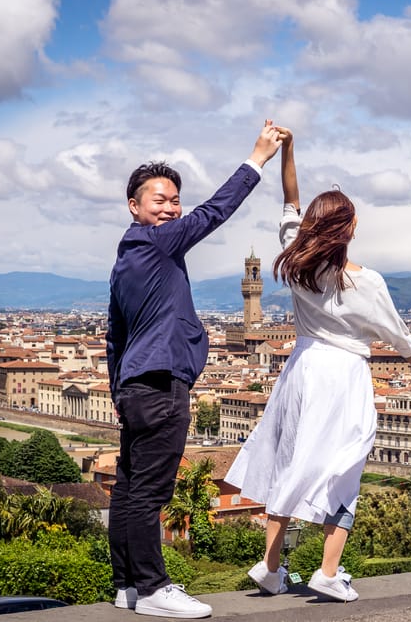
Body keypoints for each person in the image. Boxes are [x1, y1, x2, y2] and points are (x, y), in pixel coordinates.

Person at [224, 128, 411, 602]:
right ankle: (328, 571)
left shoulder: (296, 258)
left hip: (300, 369)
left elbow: (290, 200)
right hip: (342, 379)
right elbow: (397, 333)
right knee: (343, 467)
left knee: (289, 462)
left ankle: (271, 568)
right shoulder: (368, 282)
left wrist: (289, 150)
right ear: (349, 229)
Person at [106, 120, 284, 619]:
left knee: (129, 485)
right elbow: (216, 211)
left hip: (138, 387)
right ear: (135, 206)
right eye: (159, 199)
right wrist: (257, 159)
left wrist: (120, 389)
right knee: (151, 491)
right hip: (161, 386)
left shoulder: (125, 258)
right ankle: (155, 588)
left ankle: (127, 587)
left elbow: (114, 335)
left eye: (173, 200)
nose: (170, 207)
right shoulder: (158, 242)